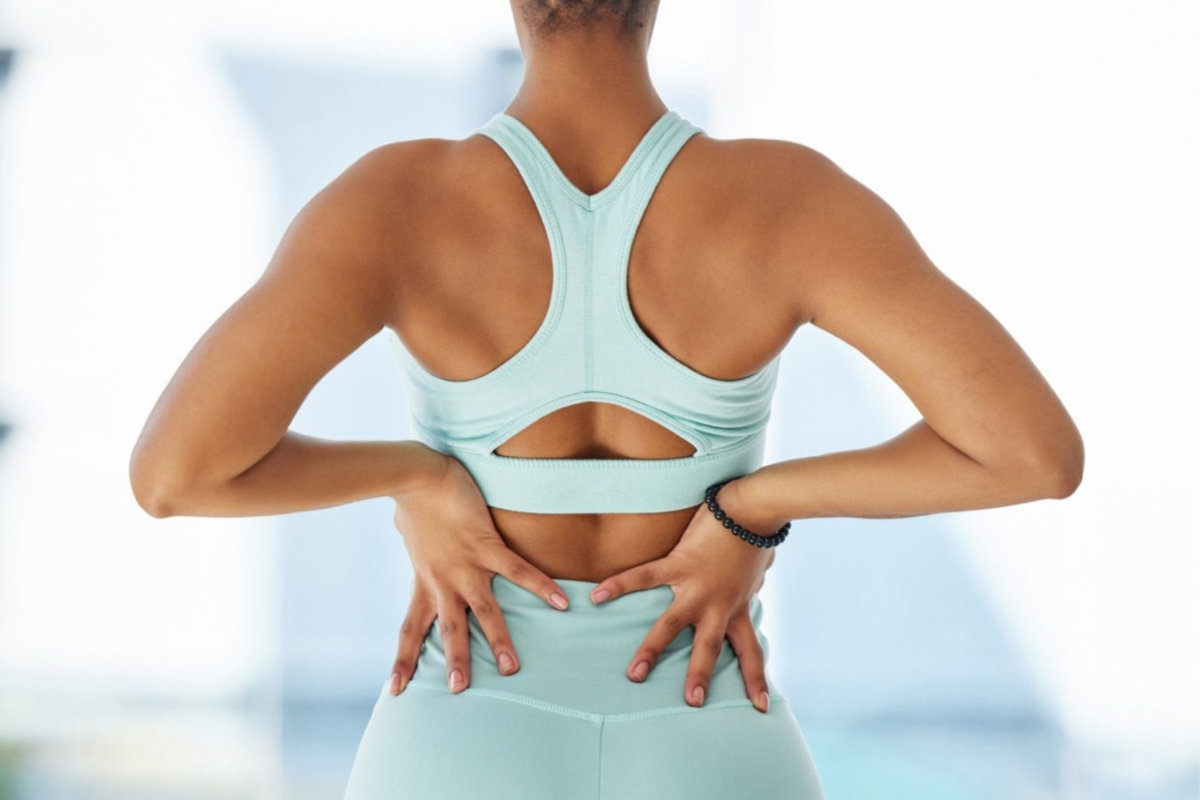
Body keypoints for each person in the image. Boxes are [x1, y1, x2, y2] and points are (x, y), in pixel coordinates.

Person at [129, 0, 1085, 797]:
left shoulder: (399, 201)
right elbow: (1029, 454)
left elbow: (178, 474)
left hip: (461, 728)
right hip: (709, 726)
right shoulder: (787, 200)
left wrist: (417, 475)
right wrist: (753, 506)